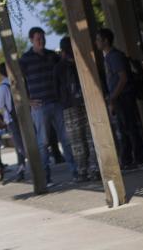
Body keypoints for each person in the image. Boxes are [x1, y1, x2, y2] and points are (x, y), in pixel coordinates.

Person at [19, 27, 77, 185]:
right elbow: (17, 82)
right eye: (38, 38)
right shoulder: (25, 59)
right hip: (39, 106)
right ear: (31, 40)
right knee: (43, 142)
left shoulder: (53, 56)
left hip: (57, 102)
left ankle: (76, 172)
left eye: (43, 38)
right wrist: (27, 100)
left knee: (66, 139)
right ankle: (46, 178)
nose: (41, 41)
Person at [95, 28, 143, 169]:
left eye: (99, 39)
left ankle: (139, 159)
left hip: (123, 96)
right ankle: (127, 160)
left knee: (130, 128)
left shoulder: (114, 56)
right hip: (119, 97)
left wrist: (112, 97)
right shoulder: (109, 57)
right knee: (124, 129)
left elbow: (123, 78)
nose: (96, 42)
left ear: (106, 41)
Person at [53, 37, 100, 181]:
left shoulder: (58, 68)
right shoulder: (81, 63)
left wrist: (63, 101)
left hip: (69, 108)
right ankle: (94, 169)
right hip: (86, 103)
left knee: (77, 142)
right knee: (90, 138)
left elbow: (56, 90)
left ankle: (82, 171)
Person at [0, 63, 27, 181]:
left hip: (11, 119)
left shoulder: (2, 87)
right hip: (24, 116)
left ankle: (21, 168)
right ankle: (23, 167)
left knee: (19, 146)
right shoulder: (19, 82)